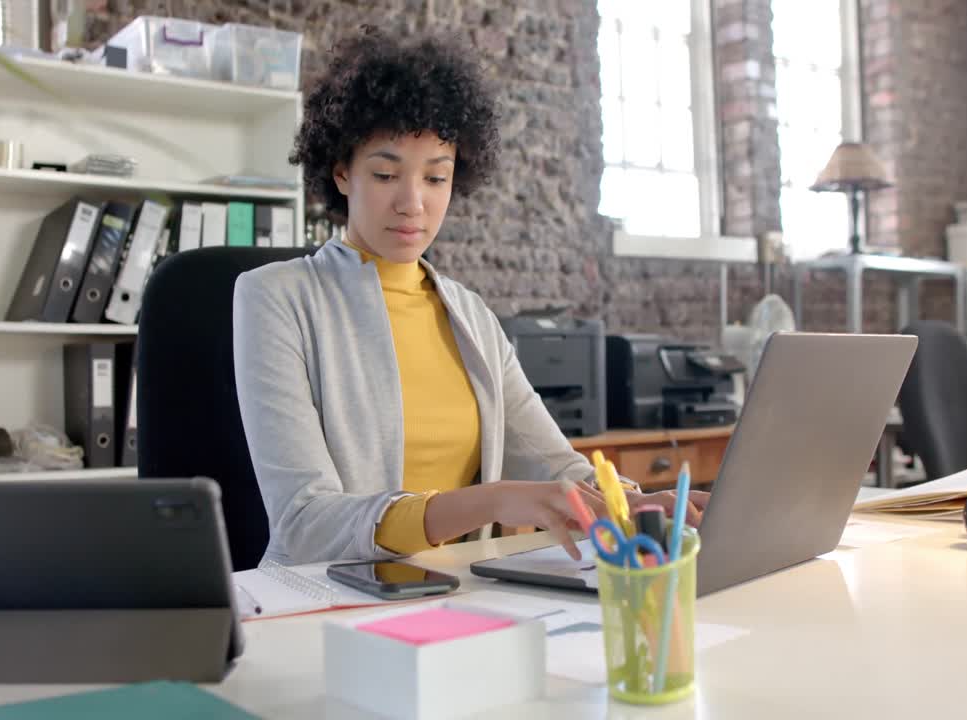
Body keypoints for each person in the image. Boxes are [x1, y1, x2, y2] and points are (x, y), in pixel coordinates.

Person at [233, 27, 709, 565]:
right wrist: (493, 499)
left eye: (436, 178)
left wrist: (641, 504)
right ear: (342, 172)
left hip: (460, 596)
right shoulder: (275, 298)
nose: (412, 203)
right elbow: (304, 524)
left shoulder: (470, 316)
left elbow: (557, 469)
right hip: (332, 601)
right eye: (386, 173)